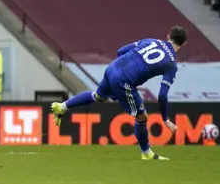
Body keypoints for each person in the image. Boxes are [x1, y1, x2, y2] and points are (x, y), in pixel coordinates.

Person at [51, 26, 188, 160]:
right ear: (183, 44)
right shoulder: (171, 64)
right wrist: (165, 118)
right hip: (124, 81)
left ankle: (62, 107)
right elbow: (162, 95)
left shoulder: (151, 41)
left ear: (168, 36)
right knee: (142, 117)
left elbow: (120, 51)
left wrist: (127, 68)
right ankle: (146, 153)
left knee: (98, 96)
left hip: (113, 68)